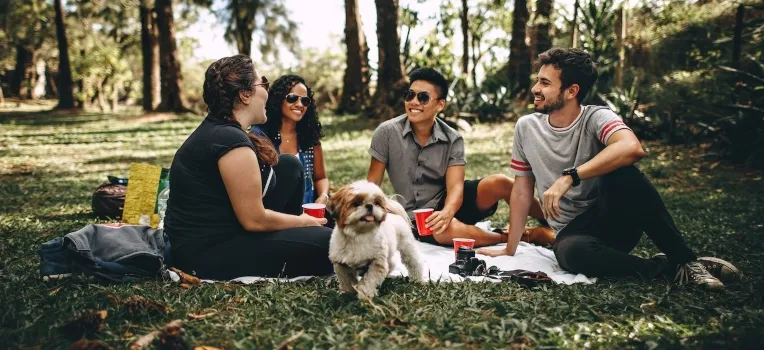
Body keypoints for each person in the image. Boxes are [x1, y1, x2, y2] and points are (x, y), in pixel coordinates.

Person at [478, 48, 739, 290]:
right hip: (573, 234)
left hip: (613, 219)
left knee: (624, 172)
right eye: (538, 80)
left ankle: (685, 260)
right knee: (572, 254)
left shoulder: (597, 117)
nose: (535, 88)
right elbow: (522, 191)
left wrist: (570, 177)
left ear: (571, 91)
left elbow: (631, 148)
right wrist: (509, 249)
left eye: (545, 83)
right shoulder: (526, 127)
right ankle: (669, 268)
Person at [165, 55, 333, 280]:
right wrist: (305, 221)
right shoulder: (229, 141)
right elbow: (254, 220)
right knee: (331, 244)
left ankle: (299, 235)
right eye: (262, 83)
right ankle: (303, 235)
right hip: (208, 253)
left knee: (289, 165)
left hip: (228, 229)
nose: (267, 90)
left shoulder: (224, 130)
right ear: (245, 95)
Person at [366, 67, 551, 247]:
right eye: (410, 95)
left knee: (500, 182)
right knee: (443, 230)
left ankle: (553, 221)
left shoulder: (452, 138)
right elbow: (372, 185)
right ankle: (521, 237)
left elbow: (455, 188)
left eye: (423, 97)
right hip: (416, 217)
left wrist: (447, 212)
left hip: (451, 202)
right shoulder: (387, 133)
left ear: (440, 104)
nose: (414, 102)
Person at [251, 75, 330, 206]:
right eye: (292, 98)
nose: (300, 105)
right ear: (278, 100)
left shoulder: (309, 136)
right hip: (272, 214)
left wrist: (323, 196)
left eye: (305, 101)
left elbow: (321, 177)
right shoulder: (259, 135)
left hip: (308, 213)